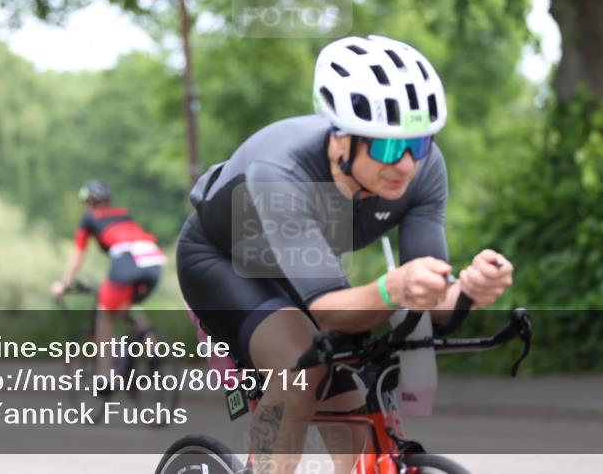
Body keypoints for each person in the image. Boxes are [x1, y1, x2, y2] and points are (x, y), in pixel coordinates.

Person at [177, 35, 514, 474]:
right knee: (299, 369)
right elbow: (332, 313)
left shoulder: (425, 171)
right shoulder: (282, 171)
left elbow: (431, 305)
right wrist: (392, 288)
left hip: (302, 265)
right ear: (340, 138)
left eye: (419, 143)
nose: (407, 165)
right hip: (222, 263)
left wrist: (465, 290)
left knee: (357, 421)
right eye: (390, 147)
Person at [52, 180, 165, 376]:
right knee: (128, 305)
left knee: (104, 314)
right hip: (153, 259)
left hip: (127, 261)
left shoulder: (89, 218)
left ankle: (104, 375)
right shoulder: (123, 214)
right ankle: (153, 349)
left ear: (88, 202)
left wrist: (64, 283)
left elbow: (78, 255)